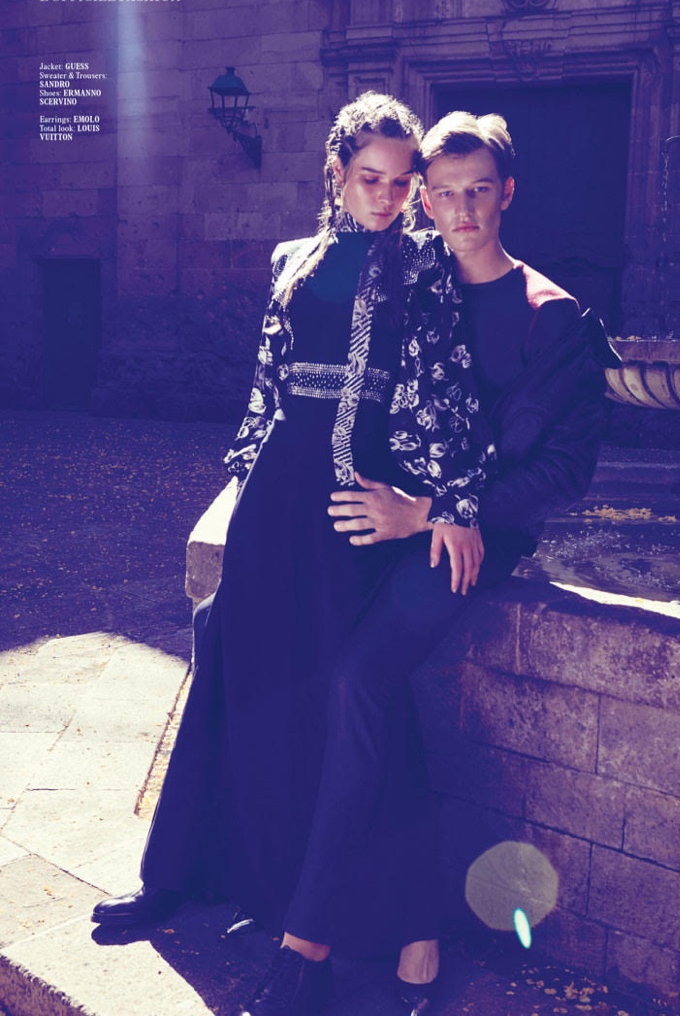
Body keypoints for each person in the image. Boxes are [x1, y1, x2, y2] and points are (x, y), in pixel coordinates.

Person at [91, 93, 493, 1016]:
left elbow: (451, 394)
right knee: (232, 668)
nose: (388, 196)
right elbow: (267, 388)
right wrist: (239, 485)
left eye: (402, 183)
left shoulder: (426, 266)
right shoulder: (292, 259)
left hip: (354, 508)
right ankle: (176, 877)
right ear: (336, 174)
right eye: (370, 179)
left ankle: (370, 918)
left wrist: (447, 503)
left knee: (348, 696)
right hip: (274, 498)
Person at [324, 110, 620, 1007]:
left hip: (472, 538)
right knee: (277, 636)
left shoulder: (553, 319)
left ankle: (409, 924)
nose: (461, 211)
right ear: (426, 199)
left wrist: (433, 515)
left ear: (507, 194)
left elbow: (565, 471)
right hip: (394, 514)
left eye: (478, 191)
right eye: (444, 193)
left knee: (361, 676)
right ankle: (284, 882)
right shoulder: (412, 283)